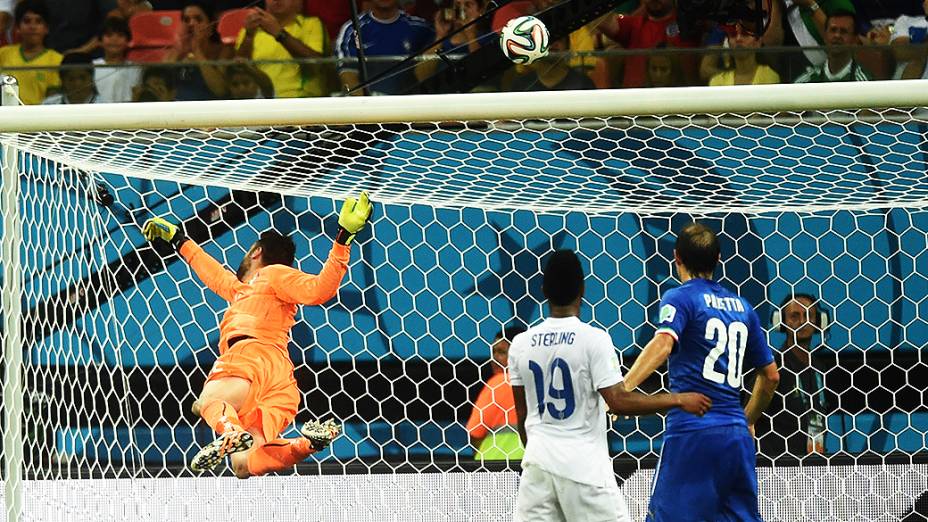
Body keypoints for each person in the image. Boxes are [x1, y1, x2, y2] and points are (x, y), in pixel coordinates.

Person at [140, 192, 373, 478]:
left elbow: (319, 290)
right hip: (280, 380)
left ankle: (230, 432)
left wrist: (343, 238)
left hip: (252, 356)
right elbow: (212, 272)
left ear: (256, 252)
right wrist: (178, 240)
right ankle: (307, 443)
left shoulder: (272, 274)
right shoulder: (242, 291)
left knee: (207, 401)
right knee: (243, 465)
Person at [509, 250, 712, 521]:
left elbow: (522, 416)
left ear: (543, 290)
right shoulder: (593, 339)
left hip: (537, 468)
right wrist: (678, 399)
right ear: (582, 289)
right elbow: (618, 400)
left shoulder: (520, 344)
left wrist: (541, 452)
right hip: (583, 469)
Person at [622, 222, 780, 521]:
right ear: (718, 259)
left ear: (676, 257)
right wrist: (745, 420)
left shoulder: (680, 297)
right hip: (735, 436)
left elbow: (664, 343)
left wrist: (625, 386)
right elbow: (771, 376)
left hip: (692, 431)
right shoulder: (743, 307)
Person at [756, 293, 834, 458]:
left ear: (820, 321)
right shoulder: (772, 369)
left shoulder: (820, 368)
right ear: (781, 322)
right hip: (778, 466)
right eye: (794, 316)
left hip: (814, 465)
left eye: (808, 315)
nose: (802, 321)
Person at [336, 0, 434, 95]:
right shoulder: (353, 29)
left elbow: (427, 72)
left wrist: (441, 35)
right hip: (369, 105)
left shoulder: (420, 28)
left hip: (411, 104)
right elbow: (347, 74)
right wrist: (370, 104)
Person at [236, 0, 330, 98]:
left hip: (300, 101)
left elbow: (314, 65)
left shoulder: (311, 24)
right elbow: (239, 69)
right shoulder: (250, 29)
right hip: (260, 103)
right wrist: (249, 36)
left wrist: (279, 34)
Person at [598, 0, 699, 88]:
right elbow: (600, 19)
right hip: (636, 101)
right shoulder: (634, 24)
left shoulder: (689, 22)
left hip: (682, 100)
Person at [465, 325, 526, 461]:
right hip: (531, 468)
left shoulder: (498, 383)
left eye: (501, 352)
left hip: (494, 469)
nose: (494, 358)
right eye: (493, 352)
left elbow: (475, 433)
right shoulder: (539, 382)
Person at [165, 2, 235, 100]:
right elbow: (161, 80)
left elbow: (221, 91)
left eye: (198, 19)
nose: (191, 24)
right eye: (186, 20)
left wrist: (197, 51)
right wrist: (179, 49)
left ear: (211, 26)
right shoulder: (177, 51)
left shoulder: (224, 50)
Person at [0, 0, 63, 105]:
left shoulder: (57, 60)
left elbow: (53, 101)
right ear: (18, 28)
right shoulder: (3, 53)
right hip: (6, 117)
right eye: (27, 21)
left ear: (46, 29)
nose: (32, 27)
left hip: (41, 118)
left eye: (38, 21)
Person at [794, 10, 872, 83]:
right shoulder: (808, 79)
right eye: (833, 30)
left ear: (855, 40)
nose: (837, 35)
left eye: (843, 31)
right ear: (825, 36)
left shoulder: (863, 83)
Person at [708, 20, 781, 86]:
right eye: (733, 34)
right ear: (728, 43)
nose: (738, 38)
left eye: (745, 34)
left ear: (758, 42)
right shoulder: (717, 81)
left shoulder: (769, 76)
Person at [509, 38, 596, 91]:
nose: (553, 44)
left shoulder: (583, 83)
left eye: (559, 39)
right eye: (546, 41)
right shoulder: (521, 85)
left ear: (567, 48)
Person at [94, 17, 142, 103]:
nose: (114, 39)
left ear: (128, 41)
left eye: (120, 35)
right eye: (109, 35)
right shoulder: (92, 66)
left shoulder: (135, 68)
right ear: (100, 41)